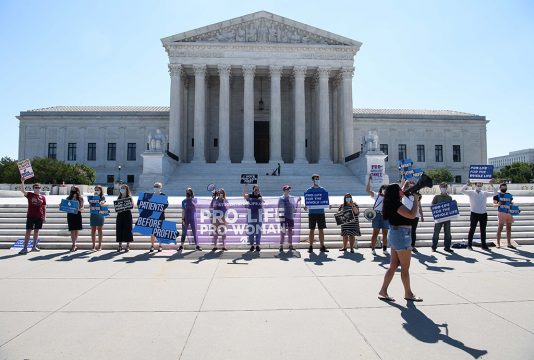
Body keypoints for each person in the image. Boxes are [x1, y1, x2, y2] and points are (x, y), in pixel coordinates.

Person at [378, 183, 422, 302]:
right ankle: (408, 293)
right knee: (405, 267)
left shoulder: (391, 203)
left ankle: (383, 291)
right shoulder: (396, 205)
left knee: (393, 265)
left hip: (395, 234)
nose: (402, 191)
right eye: (399, 190)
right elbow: (412, 215)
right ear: (395, 193)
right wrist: (416, 200)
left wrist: (407, 188)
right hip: (402, 235)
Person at [461, 180, 497, 250]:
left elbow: (495, 193)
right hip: (474, 213)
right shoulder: (471, 192)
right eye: (478, 184)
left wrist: (492, 185)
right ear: (475, 184)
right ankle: (469, 245)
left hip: (483, 214)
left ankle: (484, 245)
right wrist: (467, 184)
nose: (479, 185)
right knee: (472, 229)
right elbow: (462, 191)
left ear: (482, 185)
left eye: (480, 184)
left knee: (483, 230)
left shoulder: (485, 193)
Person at [19, 179, 46, 255]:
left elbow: (44, 208)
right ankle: (25, 248)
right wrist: (22, 181)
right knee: (28, 232)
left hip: (39, 216)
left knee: (36, 232)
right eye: (36, 187)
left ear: (40, 188)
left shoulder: (43, 197)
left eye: (38, 187)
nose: (37, 188)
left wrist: (44, 217)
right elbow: (22, 190)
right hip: (30, 216)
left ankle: (34, 246)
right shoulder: (30, 195)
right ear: (33, 188)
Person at [304, 174, 328, 253]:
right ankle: (310, 246)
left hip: (321, 213)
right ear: (313, 180)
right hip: (312, 213)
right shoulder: (309, 190)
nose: (317, 180)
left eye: (318, 179)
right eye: (315, 179)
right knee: (312, 230)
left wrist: (328, 205)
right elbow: (307, 202)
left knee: (321, 230)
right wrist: (305, 206)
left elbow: (325, 200)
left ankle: (322, 246)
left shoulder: (323, 190)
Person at [366, 174, 389, 256]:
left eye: (386, 189)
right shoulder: (377, 196)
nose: (385, 190)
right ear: (381, 189)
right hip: (377, 215)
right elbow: (368, 190)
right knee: (375, 233)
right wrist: (369, 180)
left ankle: (385, 249)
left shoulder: (389, 198)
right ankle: (373, 249)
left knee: (385, 234)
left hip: (386, 215)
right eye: (384, 188)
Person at [401, 179, 424, 253]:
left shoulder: (417, 195)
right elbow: (401, 192)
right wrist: (404, 183)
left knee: (413, 231)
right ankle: (405, 245)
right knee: (406, 231)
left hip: (415, 215)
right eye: (410, 183)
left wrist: (422, 215)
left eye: (413, 183)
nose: (412, 184)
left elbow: (419, 206)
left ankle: (412, 246)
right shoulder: (405, 193)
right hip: (406, 214)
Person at [431, 182, 454, 252]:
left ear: (446, 188)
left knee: (448, 233)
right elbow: (432, 206)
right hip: (439, 218)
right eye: (442, 187)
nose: (443, 188)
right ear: (440, 188)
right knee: (436, 233)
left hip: (447, 218)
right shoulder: (436, 197)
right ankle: (434, 247)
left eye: (444, 187)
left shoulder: (450, 197)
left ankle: (447, 247)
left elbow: (451, 207)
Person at [278, 185, 301, 252]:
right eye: (287, 189)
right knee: (283, 231)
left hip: (290, 217)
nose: (288, 190)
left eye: (289, 189)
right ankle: (281, 245)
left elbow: (294, 208)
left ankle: (290, 245)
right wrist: (279, 217)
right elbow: (279, 208)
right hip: (283, 217)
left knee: (290, 232)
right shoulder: (281, 198)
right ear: (284, 190)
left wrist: (297, 201)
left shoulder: (291, 198)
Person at [494, 183, 516, 249]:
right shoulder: (497, 195)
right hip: (501, 213)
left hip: (508, 212)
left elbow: (511, 203)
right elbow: (493, 205)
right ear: (500, 188)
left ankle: (509, 243)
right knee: (500, 228)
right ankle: (498, 243)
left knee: (509, 228)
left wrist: (512, 205)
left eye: (505, 187)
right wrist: (498, 204)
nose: (504, 188)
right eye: (502, 187)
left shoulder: (509, 195)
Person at [243, 184, 263, 252]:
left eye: (258, 189)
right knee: (251, 230)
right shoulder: (250, 195)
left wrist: (259, 196)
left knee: (258, 231)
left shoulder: (260, 196)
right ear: (253, 189)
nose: (257, 190)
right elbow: (245, 196)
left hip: (258, 216)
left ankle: (257, 245)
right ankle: (252, 245)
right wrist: (245, 186)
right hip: (251, 216)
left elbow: (261, 200)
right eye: (255, 189)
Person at [65, 186, 84, 252]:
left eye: (75, 190)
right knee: (72, 230)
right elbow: (65, 206)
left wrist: (78, 209)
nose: (74, 192)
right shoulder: (68, 198)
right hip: (70, 215)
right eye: (72, 190)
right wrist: (62, 205)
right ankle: (74, 244)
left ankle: (75, 243)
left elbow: (82, 208)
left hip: (77, 214)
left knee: (76, 230)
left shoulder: (80, 198)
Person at [149, 182, 167, 252]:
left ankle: (160, 245)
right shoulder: (150, 196)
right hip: (153, 216)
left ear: (160, 188)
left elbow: (166, 205)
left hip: (161, 216)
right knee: (152, 232)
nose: (156, 187)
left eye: (158, 186)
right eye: (155, 186)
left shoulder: (163, 196)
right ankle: (152, 245)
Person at [116, 184, 134, 251]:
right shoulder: (119, 197)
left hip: (127, 215)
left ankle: (127, 245)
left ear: (127, 189)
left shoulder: (129, 197)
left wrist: (127, 205)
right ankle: (120, 245)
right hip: (120, 215)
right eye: (121, 188)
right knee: (119, 229)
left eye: (124, 188)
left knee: (128, 230)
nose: (122, 189)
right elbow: (117, 206)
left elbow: (132, 206)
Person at [89, 185, 106, 251]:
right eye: (95, 190)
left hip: (100, 214)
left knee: (100, 229)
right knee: (93, 230)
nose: (96, 191)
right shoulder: (92, 197)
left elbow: (103, 203)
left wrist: (100, 202)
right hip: (93, 214)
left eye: (98, 190)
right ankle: (93, 245)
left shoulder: (103, 197)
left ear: (101, 190)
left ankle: (99, 245)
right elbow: (90, 205)